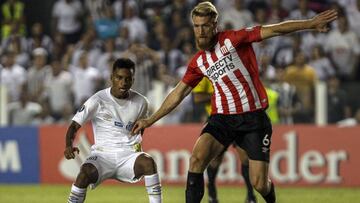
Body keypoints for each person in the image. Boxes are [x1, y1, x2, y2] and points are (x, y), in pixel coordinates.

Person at [131, 2, 337, 203]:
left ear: (214, 25)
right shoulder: (198, 62)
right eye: (196, 26)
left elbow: (275, 29)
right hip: (221, 119)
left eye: (205, 26)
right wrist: (150, 120)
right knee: (196, 159)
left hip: (253, 119)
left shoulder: (234, 39)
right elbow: (178, 93)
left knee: (259, 184)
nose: (200, 31)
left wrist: (310, 23)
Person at [64, 58, 162, 203]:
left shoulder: (141, 102)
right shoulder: (98, 99)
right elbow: (74, 125)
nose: (123, 82)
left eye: (128, 79)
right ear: (111, 78)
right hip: (102, 155)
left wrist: (135, 144)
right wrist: (68, 145)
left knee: (148, 162)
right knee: (84, 173)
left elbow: (140, 128)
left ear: (133, 80)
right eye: (119, 78)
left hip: (128, 156)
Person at [192, 77, 256, 203]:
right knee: (215, 160)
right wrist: (222, 94)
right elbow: (197, 98)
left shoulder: (234, 69)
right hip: (217, 119)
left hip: (239, 118)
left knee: (245, 158)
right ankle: (211, 192)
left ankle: (250, 195)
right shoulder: (206, 73)